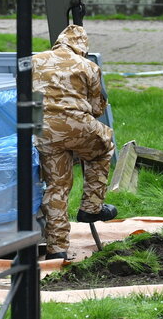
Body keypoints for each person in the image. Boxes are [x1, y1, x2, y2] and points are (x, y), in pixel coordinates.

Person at [33, 22, 117, 261]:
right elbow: (97, 107)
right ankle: (91, 208)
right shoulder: (88, 66)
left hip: (43, 130)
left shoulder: (35, 61)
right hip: (76, 126)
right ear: (82, 47)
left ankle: (56, 249)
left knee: (56, 187)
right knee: (104, 146)